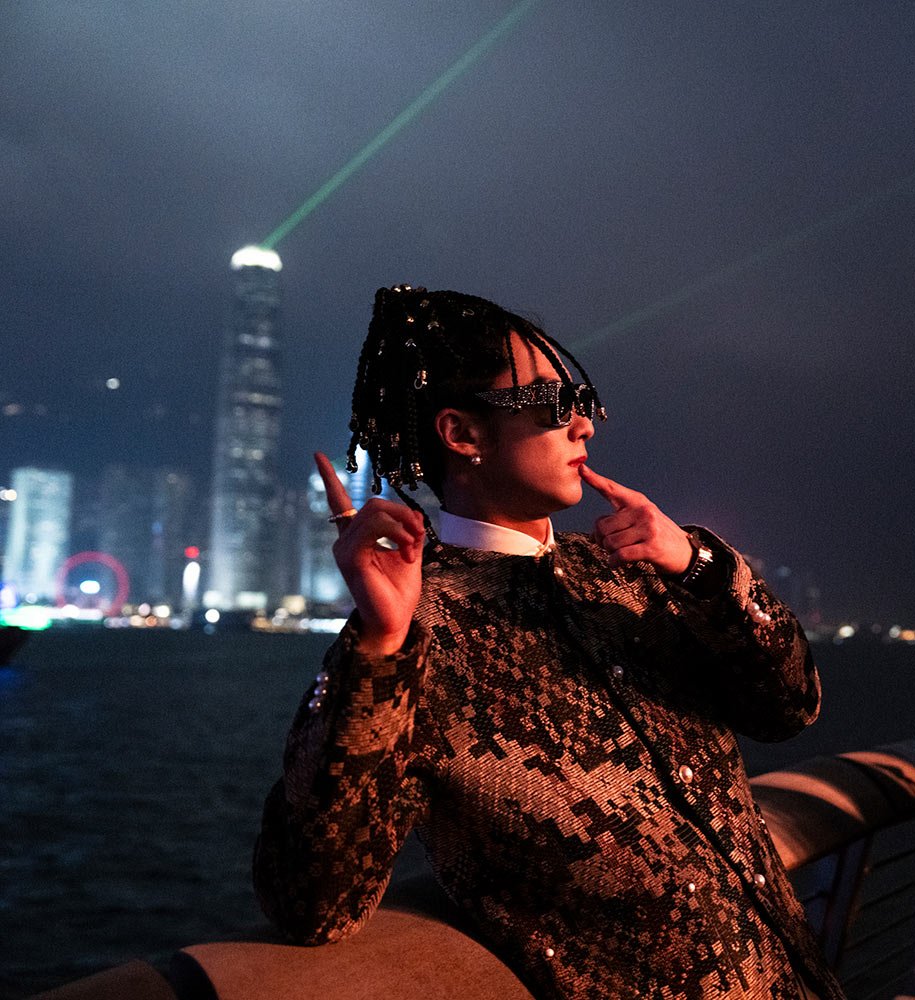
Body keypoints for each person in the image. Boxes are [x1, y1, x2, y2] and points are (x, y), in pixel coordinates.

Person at [252, 285, 843, 1000]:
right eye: (554, 406)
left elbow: (790, 706)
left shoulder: (634, 575)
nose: (584, 427)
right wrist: (379, 645)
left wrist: (703, 567)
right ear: (463, 435)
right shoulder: (418, 632)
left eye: (584, 403)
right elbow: (312, 901)